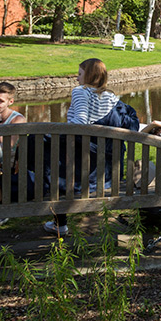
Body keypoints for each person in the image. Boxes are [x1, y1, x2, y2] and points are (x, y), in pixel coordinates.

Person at [48, 57, 118, 236]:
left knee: (49, 162)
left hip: (78, 159)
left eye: (80, 74)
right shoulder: (111, 96)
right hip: (101, 166)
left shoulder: (81, 91)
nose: (77, 78)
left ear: (89, 75)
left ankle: (59, 223)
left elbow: (79, 124)